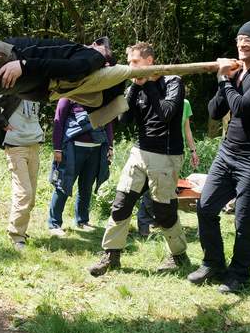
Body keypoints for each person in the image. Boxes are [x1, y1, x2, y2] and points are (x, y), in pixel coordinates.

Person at [187, 18, 250, 294]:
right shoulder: (237, 73)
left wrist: (224, 79)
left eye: (248, 40)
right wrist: (226, 81)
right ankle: (213, 264)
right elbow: (215, 112)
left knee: (244, 221)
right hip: (228, 153)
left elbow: (242, 107)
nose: (241, 44)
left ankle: (239, 275)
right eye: (239, 39)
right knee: (205, 208)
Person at [88, 42, 190, 276]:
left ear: (149, 61)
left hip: (165, 156)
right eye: (129, 62)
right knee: (121, 204)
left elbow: (165, 114)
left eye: (135, 62)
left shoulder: (172, 81)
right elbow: (124, 120)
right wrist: (134, 88)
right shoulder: (135, 85)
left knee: (163, 211)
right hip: (139, 152)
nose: (131, 67)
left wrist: (150, 84)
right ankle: (111, 255)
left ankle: (179, 256)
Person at [0, 95, 44, 250]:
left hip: (34, 146)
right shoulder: (15, 87)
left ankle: (21, 231)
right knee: (24, 194)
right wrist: (2, 123)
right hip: (16, 147)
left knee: (31, 197)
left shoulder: (38, 86)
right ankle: (16, 236)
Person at [46, 96, 114, 237]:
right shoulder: (68, 97)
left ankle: (82, 221)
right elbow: (58, 122)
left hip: (96, 149)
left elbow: (107, 121)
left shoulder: (100, 97)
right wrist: (57, 148)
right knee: (63, 185)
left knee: (86, 186)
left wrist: (110, 146)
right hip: (73, 149)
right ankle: (54, 224)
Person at [136, 97, 199, 236]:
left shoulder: (185, 103)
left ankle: (161, 222)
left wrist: (193, 151)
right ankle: (144, 225)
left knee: (167, 190)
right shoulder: (158, 100)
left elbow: (187, 129)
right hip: (157, 151)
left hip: (176, 153)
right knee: (149, 188)